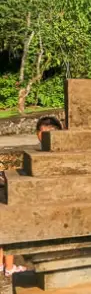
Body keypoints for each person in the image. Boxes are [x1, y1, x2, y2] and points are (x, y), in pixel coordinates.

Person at [2, 116, 62, 277]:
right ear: (37, 134)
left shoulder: (60, 152)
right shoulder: (35, 152)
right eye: (44, 133)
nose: (47, 137)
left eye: (51, 133)